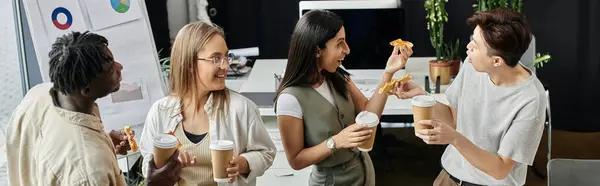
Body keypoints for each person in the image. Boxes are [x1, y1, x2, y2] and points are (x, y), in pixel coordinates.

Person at [393, 8, 547, 186]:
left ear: (496, 61)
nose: (468, 47)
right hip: (450, 177)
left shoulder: (531, 99)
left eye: (475, 45)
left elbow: (500, 169)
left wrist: (454, 138)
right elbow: (453, 119)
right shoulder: (473, 65)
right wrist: (423, 96)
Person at [274, 9, 413, 186]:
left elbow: (369, 114)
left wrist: (388, 73)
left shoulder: (338, 76)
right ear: (317, 50)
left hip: (364, 174)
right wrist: (336, 142)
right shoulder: (290, 99)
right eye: (339, 44)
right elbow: (296, 160)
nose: (347, 50)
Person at [139, 22, 276, 186]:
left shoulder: (241, 108)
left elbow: (266, 152)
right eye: (216, 58)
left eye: (226, 57)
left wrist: (243, 163)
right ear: (189, 64)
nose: (226, 65)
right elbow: (147, 161)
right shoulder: (160, 111)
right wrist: (165, 163)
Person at [5, 31, 142, 185]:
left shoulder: (38, 94)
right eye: (110, 69)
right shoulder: (88, 175)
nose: (119, 67)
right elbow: (80, 162)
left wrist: (102, 141)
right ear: (87, 89)